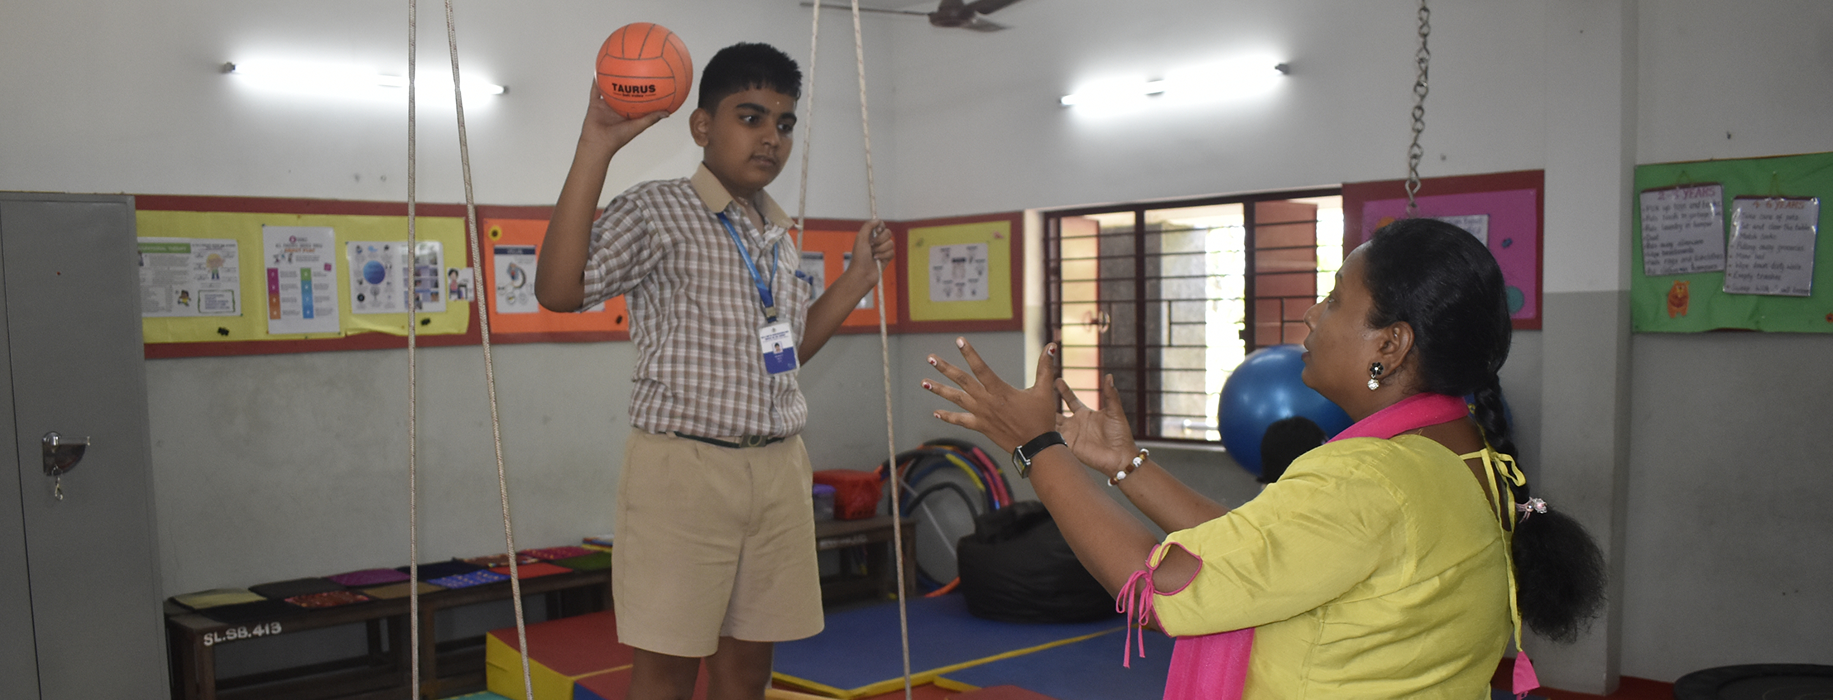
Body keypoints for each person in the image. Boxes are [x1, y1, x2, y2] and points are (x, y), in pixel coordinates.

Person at [922, 219, 1604, 699]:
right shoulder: (1464, 456)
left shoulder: (1368, 477)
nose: (1311, 314)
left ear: (1391, 347)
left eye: (1337, 299)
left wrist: (1036, 448)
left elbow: (1157, 591)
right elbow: (1260, 552)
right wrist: (1126, 465)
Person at [535, 42, 895, 700]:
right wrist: (596, 146)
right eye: (750, 116)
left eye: (784, 123)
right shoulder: (657, 209)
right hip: (686, 473)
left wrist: (854, 282)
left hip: (779, 467)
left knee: (748, 667)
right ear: (703, 127)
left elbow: (782, 357)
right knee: (668, 669)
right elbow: (560, 289)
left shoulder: (775, 237)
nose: (771, 138)